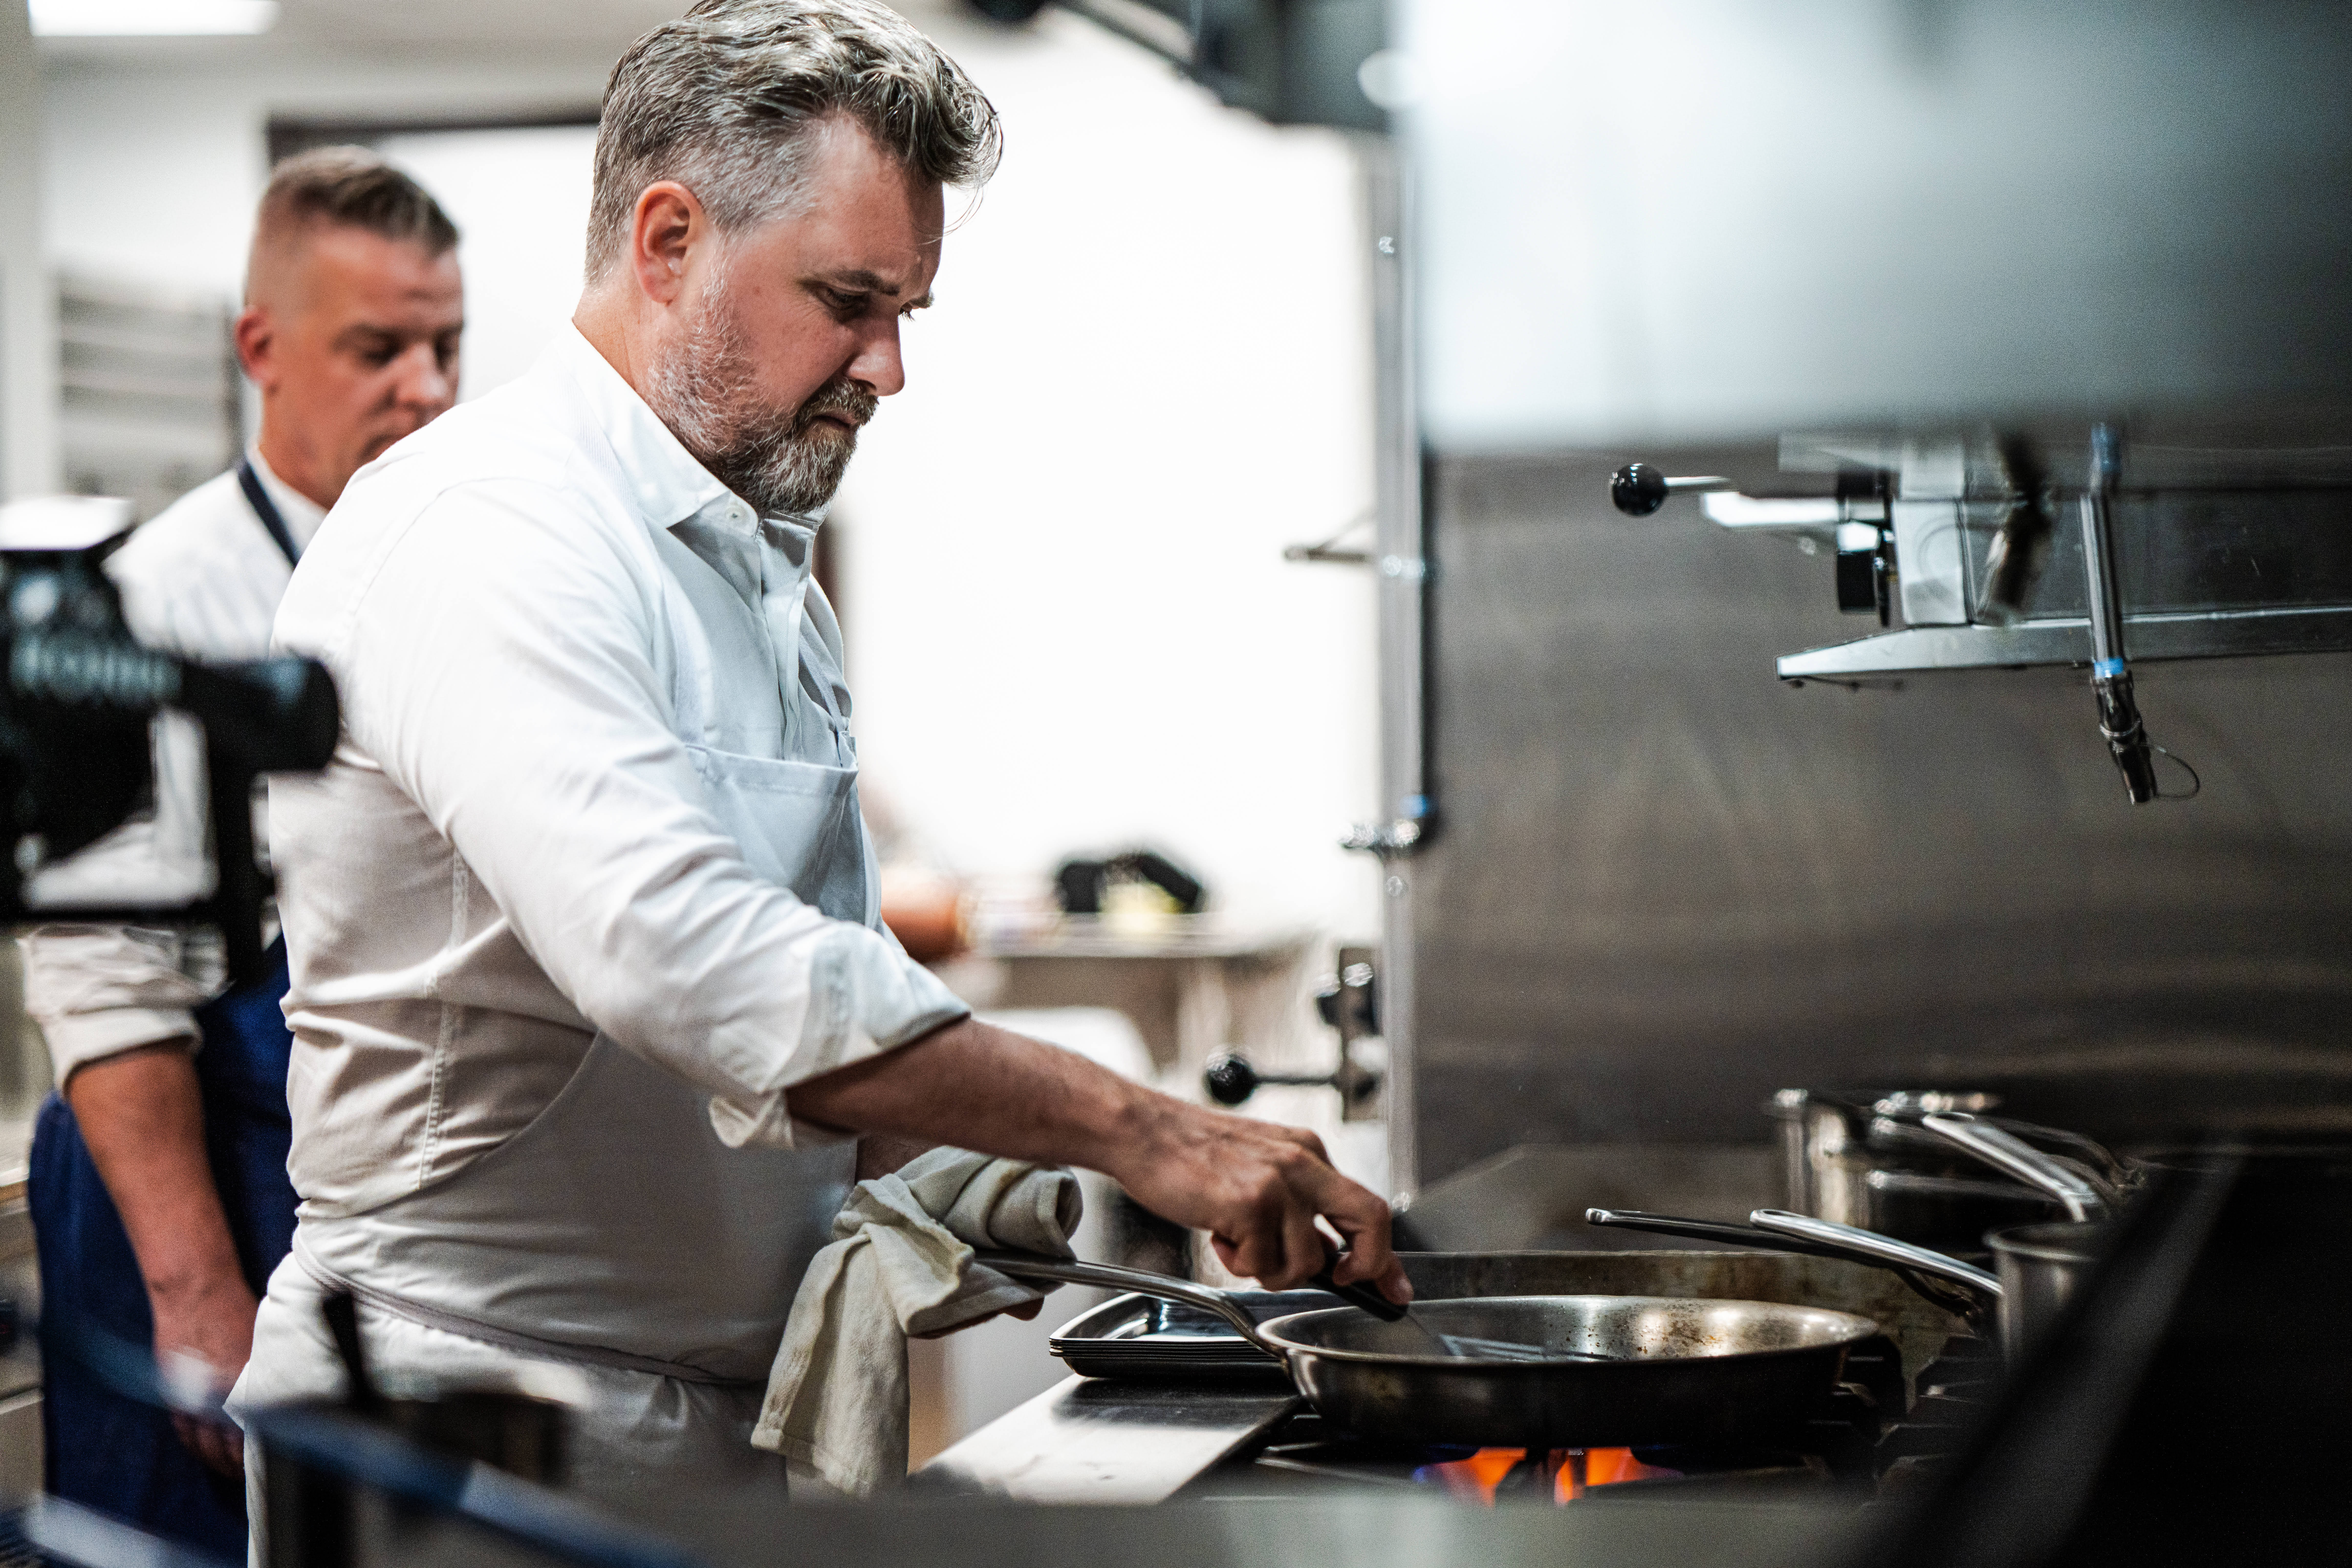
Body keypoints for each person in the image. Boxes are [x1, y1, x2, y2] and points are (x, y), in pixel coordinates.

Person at [233, 0, 1405, 1504]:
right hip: (469, 1422)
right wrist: (1144, 1127)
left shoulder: (750, 563)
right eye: (848, 299)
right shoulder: (487, 535)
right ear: (667, 241)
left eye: (905, 307)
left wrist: (1076, 1198)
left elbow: (798, 1051)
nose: (888, 364)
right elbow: (690, 966)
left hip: (692, 1416)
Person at [20, 148, 463, 1557]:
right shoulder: (163, 602)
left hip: (351, 1177)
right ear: (261, 350)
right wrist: (196, 1284)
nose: (429, 388)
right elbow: (104, 976)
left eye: (446, 344)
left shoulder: (444, 570)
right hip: (195, 1160)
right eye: (379, 348)